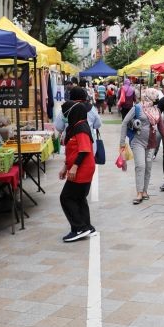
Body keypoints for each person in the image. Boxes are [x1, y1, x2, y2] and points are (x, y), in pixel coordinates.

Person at [119, 88, 164, 204]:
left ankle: (145, 191)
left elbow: (161, 127)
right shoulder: (137, 107)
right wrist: (122, 143)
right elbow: (125, 122)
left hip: (151, 142)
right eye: (155, 97)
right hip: (137, 142)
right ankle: (139, 193)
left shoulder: (156, 110)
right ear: (148, 96)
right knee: (140, 166)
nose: (157, 99)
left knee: (148, 167)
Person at [58, 98, 97, 242]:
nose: (64, 117)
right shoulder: (75, 126)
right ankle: (87, 226)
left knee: (66, 197)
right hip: (79, 167)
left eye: (65, 114)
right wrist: (65, 167)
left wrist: (73, 168)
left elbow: (84, 150)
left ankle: (79, 228)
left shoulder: (81, 128)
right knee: (79, 197)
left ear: (72, 113)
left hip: (82, 168)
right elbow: (72, 151)